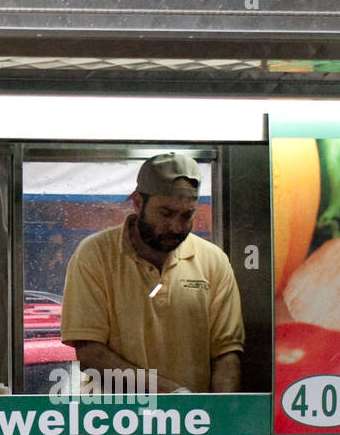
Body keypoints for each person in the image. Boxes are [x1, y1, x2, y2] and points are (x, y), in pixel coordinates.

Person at [60, 151, 244, 394]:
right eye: (165, 213)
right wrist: (172, 394)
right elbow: (90, 353)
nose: (176, 227)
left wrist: (222, 416)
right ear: (138, 203)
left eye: (187, 215)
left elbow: (226, 354)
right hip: (114, 422)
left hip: (192, 423)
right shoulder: (95, 255)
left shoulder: (214, 261)